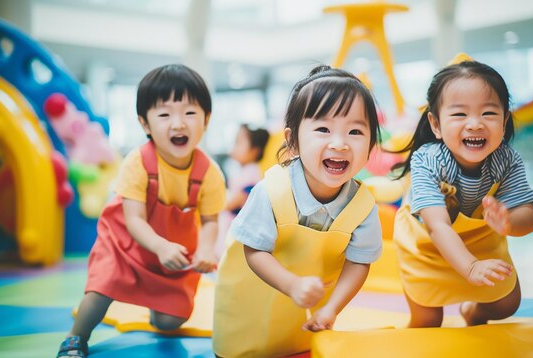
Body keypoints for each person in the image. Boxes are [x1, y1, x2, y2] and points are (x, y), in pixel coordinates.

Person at [213, 65, 383, 357]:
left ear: (370, 144)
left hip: (306, 321)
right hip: (248, 308)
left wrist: (331, 309)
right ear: (293, 141)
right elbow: (253, 250)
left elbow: (359, 263)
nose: (340, 144)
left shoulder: (362, 205)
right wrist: (291, 285)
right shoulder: (272, 191)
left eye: (355, 131)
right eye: (323, 129)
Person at [56, 64, 225, 358]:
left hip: (173, 254)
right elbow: (134, 220)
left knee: (171, 321)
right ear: (145, 124)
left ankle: (156, 309)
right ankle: (75, 337)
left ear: (206, 119)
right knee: (101, 289)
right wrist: (159, 246)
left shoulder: (210, 173)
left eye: (189, 112)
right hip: (125, 243)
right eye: (164, 114)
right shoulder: (138, 163)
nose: (178, 123)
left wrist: (207, 249)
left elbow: (210, 220)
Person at [391, 60, 533, 328]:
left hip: (477, 240)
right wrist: (470, 267)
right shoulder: (428, 160)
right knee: (427, 320)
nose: (474, 124)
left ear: (504, 121)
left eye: (488, 114)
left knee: (507, 303)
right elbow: (437, 226)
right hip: (427, 244)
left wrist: (510, 223)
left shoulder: (506, 160)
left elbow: (529, 216)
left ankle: (474, 313)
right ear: (436, 124)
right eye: (459, 115)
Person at [215, 124, 269, 257]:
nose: (234, 147)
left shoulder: (252, 171)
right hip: (229, 223)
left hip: (235, 226)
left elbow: (237, 200)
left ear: (254, 151)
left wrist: (214, 204)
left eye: (238, 143)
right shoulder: (242, 170)